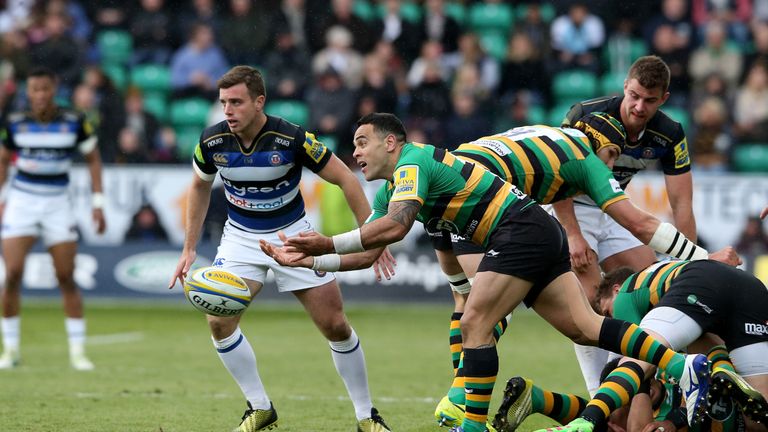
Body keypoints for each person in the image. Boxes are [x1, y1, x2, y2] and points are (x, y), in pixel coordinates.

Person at [262, 112, 728, 432]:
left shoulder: (413, 160)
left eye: (362, 143)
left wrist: (326, 242)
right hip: (534, 228)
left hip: (517, 229)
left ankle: (471, 423)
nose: (355, 153)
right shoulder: (390, 193)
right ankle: (687, 365)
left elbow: (397, 227)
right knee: (587, 328)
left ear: (391, 142)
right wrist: (312, 259)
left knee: (475, 321)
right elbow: (370, 251)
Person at [423, 113, 741, 428]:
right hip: (489, 202)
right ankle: (465, 408)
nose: (612, 165)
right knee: (487, 313)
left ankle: (464, 408)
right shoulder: (585, 156)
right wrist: (703, 259)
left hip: (487, 202)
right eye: (612, 154)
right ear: (598, 142)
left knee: (483, 312)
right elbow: (641, 224)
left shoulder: (543, 137)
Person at [167, 66, 393, 432]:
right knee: (219, 321)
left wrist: (372, 235)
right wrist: (189, 248)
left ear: (259, 102)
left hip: (294, 237)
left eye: (236, 102)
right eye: (223, 102)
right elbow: (198, 186)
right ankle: (259, 407)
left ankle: (366, 416)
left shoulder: (291, 138)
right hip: (240, 238)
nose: (228, 110)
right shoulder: (211, 142)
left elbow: (346, 179)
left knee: (335, 325)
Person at [554, 55, 698, 398]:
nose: (638, 106)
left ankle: (639, 383)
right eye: (634, 95)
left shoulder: (670, 133)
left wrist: (687, 268)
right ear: (625, 87)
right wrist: (573, 234)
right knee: (590, 301)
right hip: (568, 205)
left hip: (613, 206)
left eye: (649, 100)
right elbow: (555, 177)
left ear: (663, 99)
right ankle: (599, 394)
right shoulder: (584, 116)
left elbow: (682, 204)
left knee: (648, 285)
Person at [0, 67, 106, 370]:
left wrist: (98, 202)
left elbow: (93, 158)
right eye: (34, 90)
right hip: (22, 200)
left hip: (58, 202)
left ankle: (77, 352)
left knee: (65, 277)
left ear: (54, 89)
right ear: (28, 92)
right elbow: (4, 159)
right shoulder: (15, 123)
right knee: (12, 274)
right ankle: (10, 350)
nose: (40, 96)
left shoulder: (74, 121)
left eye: (45, 89)